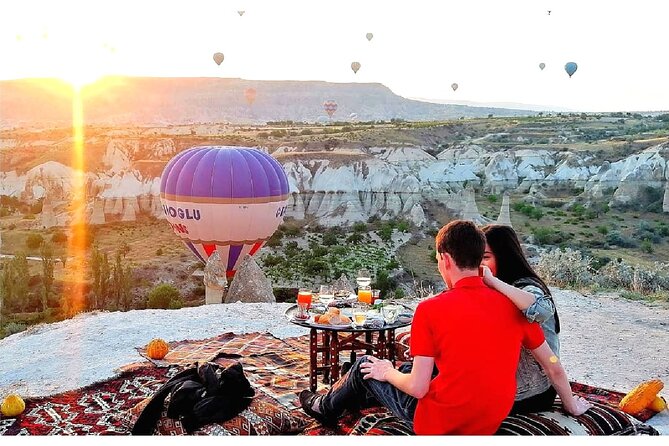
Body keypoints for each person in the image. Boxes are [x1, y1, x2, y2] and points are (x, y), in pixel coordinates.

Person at [299, 220, 590, 435]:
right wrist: (572, 405)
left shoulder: (430, 309)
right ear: (480, 261)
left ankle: (323, 407)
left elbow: (418, 386)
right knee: (394, 370)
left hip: (439, 422)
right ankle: (351, 388)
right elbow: (552, 363)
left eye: (439, 261)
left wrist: (385, 371)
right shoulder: (513, 306)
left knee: (368, 366)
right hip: (490, 417)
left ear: (445, 259)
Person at [480, 224, 562, 414]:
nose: (479, 264)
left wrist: (493, 282)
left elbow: (541, 309)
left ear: (505, 256)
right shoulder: (494, 289)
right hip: (510, 385)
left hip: (532, 391)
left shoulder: (526, 288)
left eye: (485, 257)